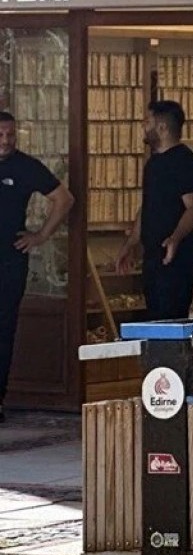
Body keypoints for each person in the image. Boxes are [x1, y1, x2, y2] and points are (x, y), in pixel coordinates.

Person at [0, 111, 75, 423]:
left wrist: (42, 235)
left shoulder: (25, 166)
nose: (6, 141)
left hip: (9, 258)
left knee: (4, 329)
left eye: (11, 135)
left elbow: (64, 198)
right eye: (1, 135)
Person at [115, 101, 193, 321]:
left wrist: (175, 238)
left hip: (177, 256)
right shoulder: (154, 164)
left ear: (163, 127)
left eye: (148, 122)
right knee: (154, 316)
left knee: (171, 318)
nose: (144, 127)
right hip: (153, 254)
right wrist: (130, 244)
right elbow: (147, 207)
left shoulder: (185, 162)